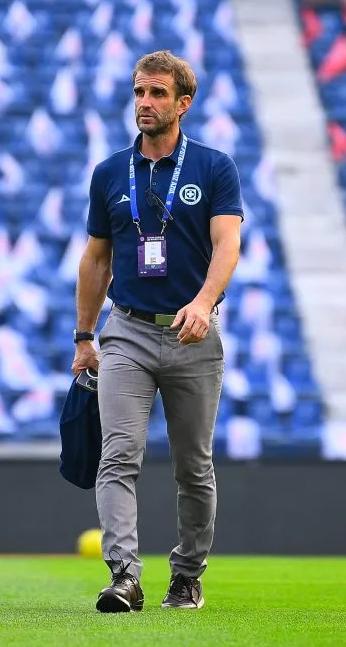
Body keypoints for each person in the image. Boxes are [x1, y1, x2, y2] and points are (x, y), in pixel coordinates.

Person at [72, 50, 243, 612]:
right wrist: (84, 337)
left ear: (183, 102)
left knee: (194, 467)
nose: (145, 102)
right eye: (139, 92)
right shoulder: (108, 172)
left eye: (158, 93)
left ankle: (187, 576)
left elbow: (228, 244)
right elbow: (96, 258)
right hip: (127, 331)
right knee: (118, 455)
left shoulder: (214, 167)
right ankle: (125, 576)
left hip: (195, 334)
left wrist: (203, 302)